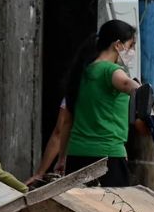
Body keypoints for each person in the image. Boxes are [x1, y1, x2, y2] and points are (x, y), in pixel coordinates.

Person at [62, 20, 141, 187]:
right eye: (131, 45)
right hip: (106, 159)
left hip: (76, 156)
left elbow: (67, 121)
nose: (132, 51)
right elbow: (127, 84)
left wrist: (62, 158)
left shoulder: (83, 72)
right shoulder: (111, 70)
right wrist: (142, 92)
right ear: (118, 45)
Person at [26, 99, 73, 186]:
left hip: (77, 156)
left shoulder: (73, 94)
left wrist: (39, 174)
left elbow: (59, 132)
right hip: (100, 154)